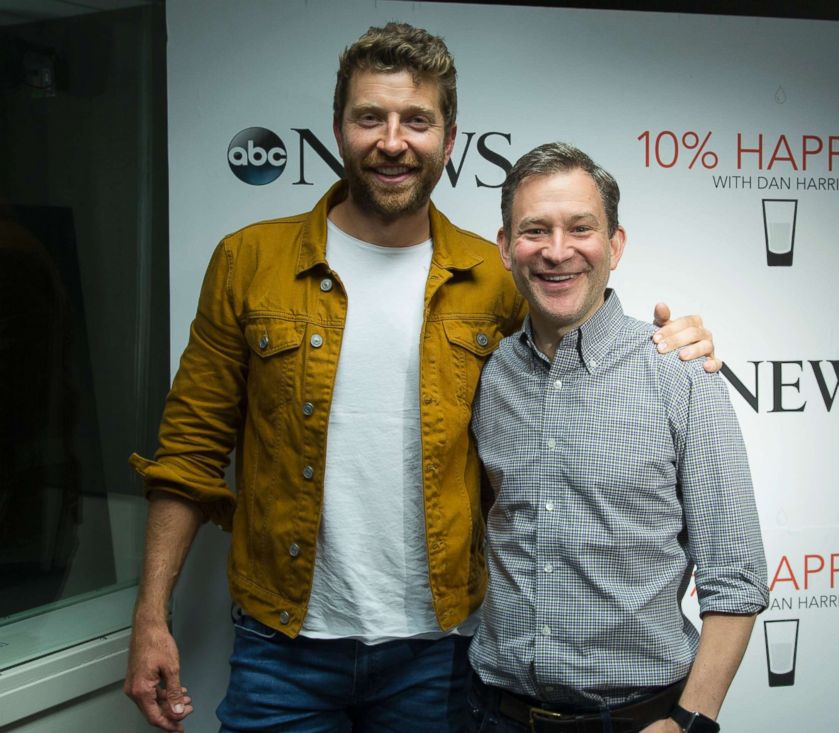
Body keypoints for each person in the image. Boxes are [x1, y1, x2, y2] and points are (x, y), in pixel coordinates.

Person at [123, 24, 720, 733]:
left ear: (450, 136)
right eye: (370, 117)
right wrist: (151, 614)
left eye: (417, 120)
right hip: (281, 646)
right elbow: (189, 451)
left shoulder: (491, 280)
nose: (393, 141)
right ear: (338, 127)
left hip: (443, 651)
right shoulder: (248, 261)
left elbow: (580, 348)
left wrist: (677, 344)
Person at [468, 143, 768, 733]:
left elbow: (734, 575)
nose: (558, 251)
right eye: (535, 231)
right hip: (492, 713)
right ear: (505, 248)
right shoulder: (486, 375)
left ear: (616, 245)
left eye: (581, 228)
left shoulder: (681, 372)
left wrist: (690, 721)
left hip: (640, 719)